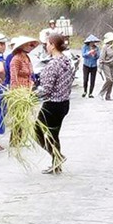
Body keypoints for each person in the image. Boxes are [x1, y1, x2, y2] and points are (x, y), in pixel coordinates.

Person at [36, 33, 74, 174]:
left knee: (36, 131)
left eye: (47, 44)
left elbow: (46, 89)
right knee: (54, 134)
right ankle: (56, 164)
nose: (46, 46)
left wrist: (31, 95)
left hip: (52, 105)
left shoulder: (53, 64)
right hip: (64, 103)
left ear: (52, 45)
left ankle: (57, 156)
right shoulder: (66, 61)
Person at [98, 32, 113, 101]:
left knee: (112, 80)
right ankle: (101, 93)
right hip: (105, 64)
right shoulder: (105, 47)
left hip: (112, 65)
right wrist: (99, 68)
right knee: (109, 79)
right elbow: (101, 58)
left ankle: (108, 96)